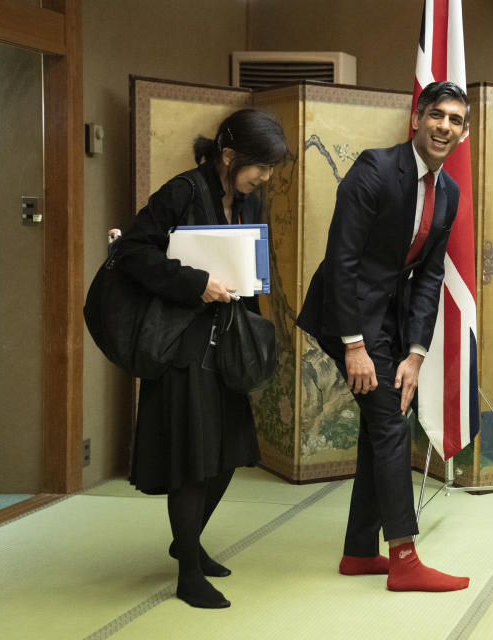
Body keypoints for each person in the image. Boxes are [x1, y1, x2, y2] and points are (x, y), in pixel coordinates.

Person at [297, 81, 471, 592]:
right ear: (417, 117)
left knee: (385, 421)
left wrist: (416, 353)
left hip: (392, 319)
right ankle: (404, 557)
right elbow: (342, 260)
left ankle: (358, 551)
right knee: (391, 421)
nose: (444, 126)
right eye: (436, 114)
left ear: (464, 132)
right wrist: (353, 345)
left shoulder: (450, 191)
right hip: (345, 311)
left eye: (456, 120)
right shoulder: (374, 168)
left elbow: (431, 276)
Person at [116, 108, 289, 609]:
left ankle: (184, 540)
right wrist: (197, 283)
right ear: (229, 155)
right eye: (261, 165)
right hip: (183, 346)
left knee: (230, 453)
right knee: (192, 460)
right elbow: (132, 251)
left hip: (227, 344)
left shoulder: (246, 199)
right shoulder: (184, 191)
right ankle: (188, 573)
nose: (266, 176)